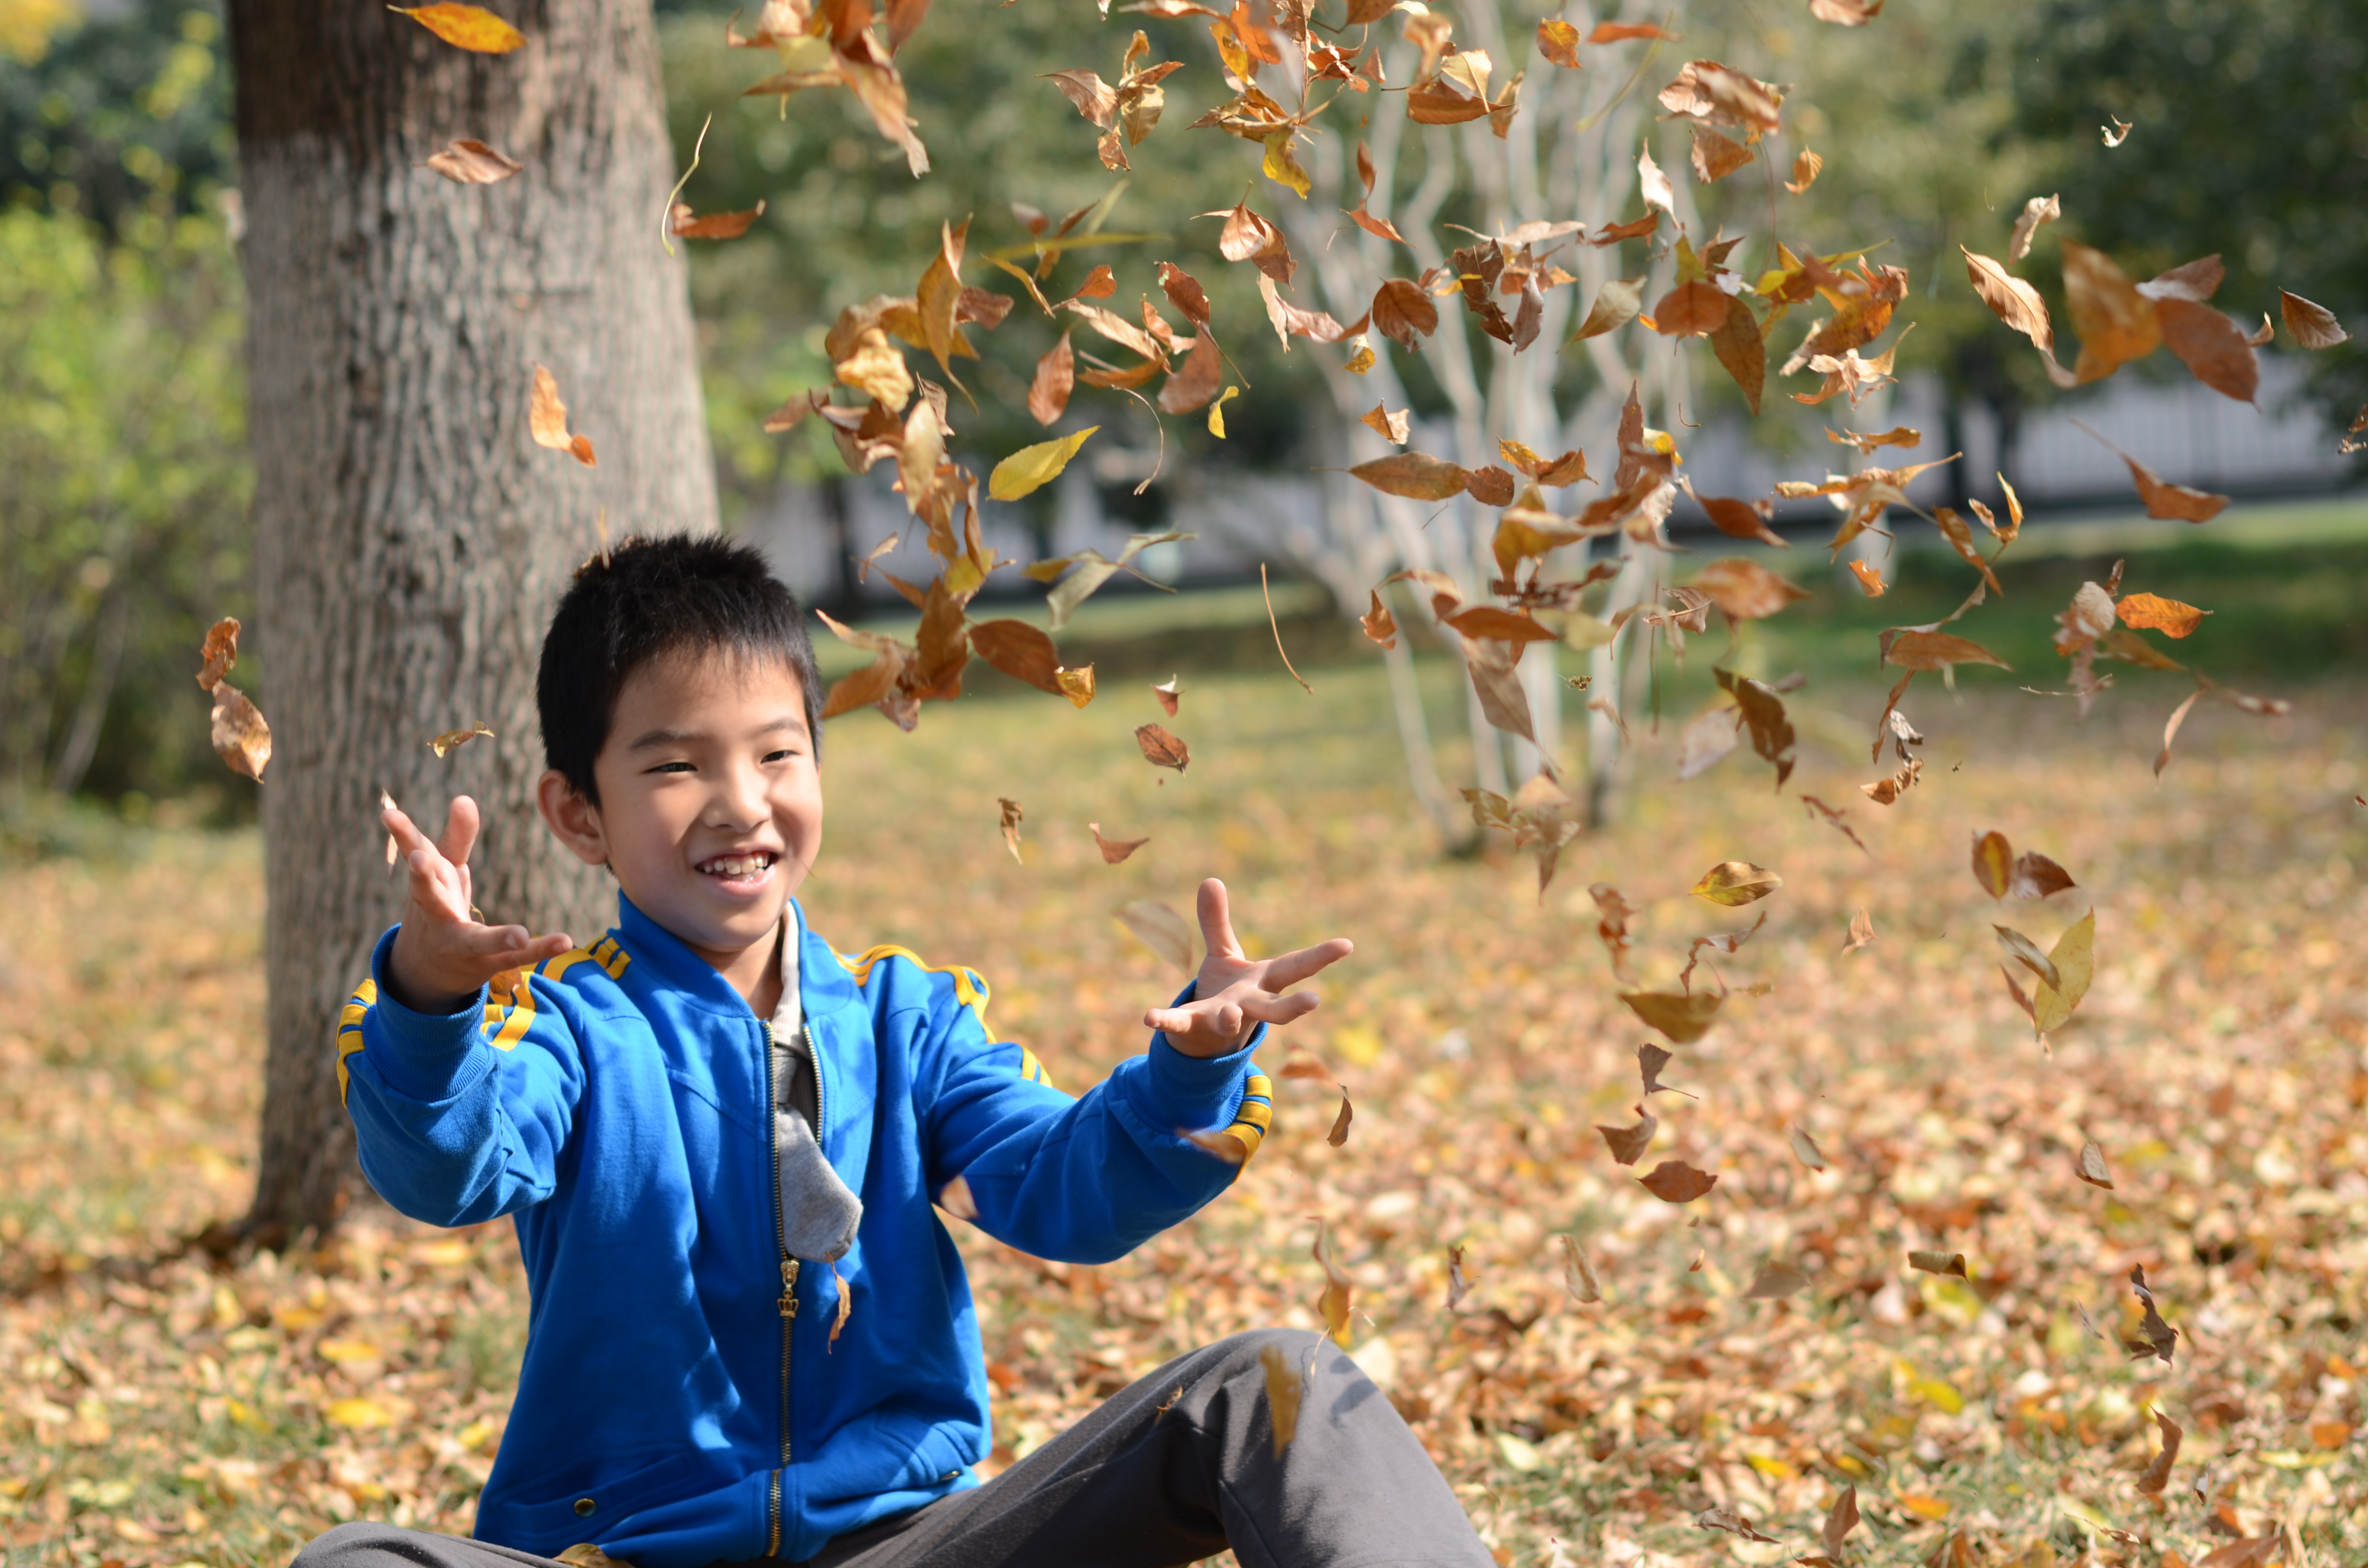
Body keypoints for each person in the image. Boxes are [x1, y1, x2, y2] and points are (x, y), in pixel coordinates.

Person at [304, 536, 1492, 1568]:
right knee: (354, 1560)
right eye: (674, 766)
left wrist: (1190, 1071)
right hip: (628, 1549)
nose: (739, 802)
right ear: (579, 816)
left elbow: (1061, 1191)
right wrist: (427, 997)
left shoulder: (904, 1020)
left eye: (777, 754)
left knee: (1273, 1387)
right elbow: (446, 1167)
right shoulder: (559, 1029)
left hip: (912, 1545)